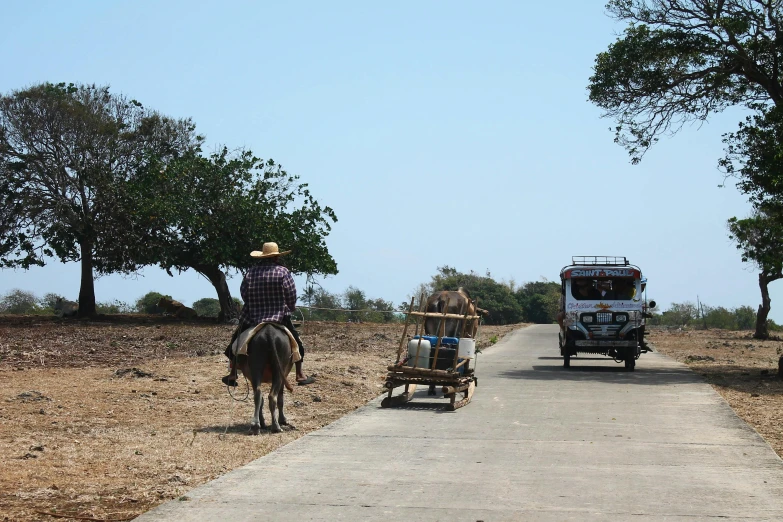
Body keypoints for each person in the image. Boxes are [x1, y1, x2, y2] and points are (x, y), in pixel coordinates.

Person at [222, 242, 315, 387]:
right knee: (297, 342)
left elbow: (244, 294)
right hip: (278, 318)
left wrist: (254, 304)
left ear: (261, 257)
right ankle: (300, 374)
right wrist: (290, 307)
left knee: (236, 340)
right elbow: (291, 294)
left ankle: (233, 372)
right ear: (276, 257)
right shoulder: (283, 272)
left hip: (253, 317)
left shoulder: (250, 272)